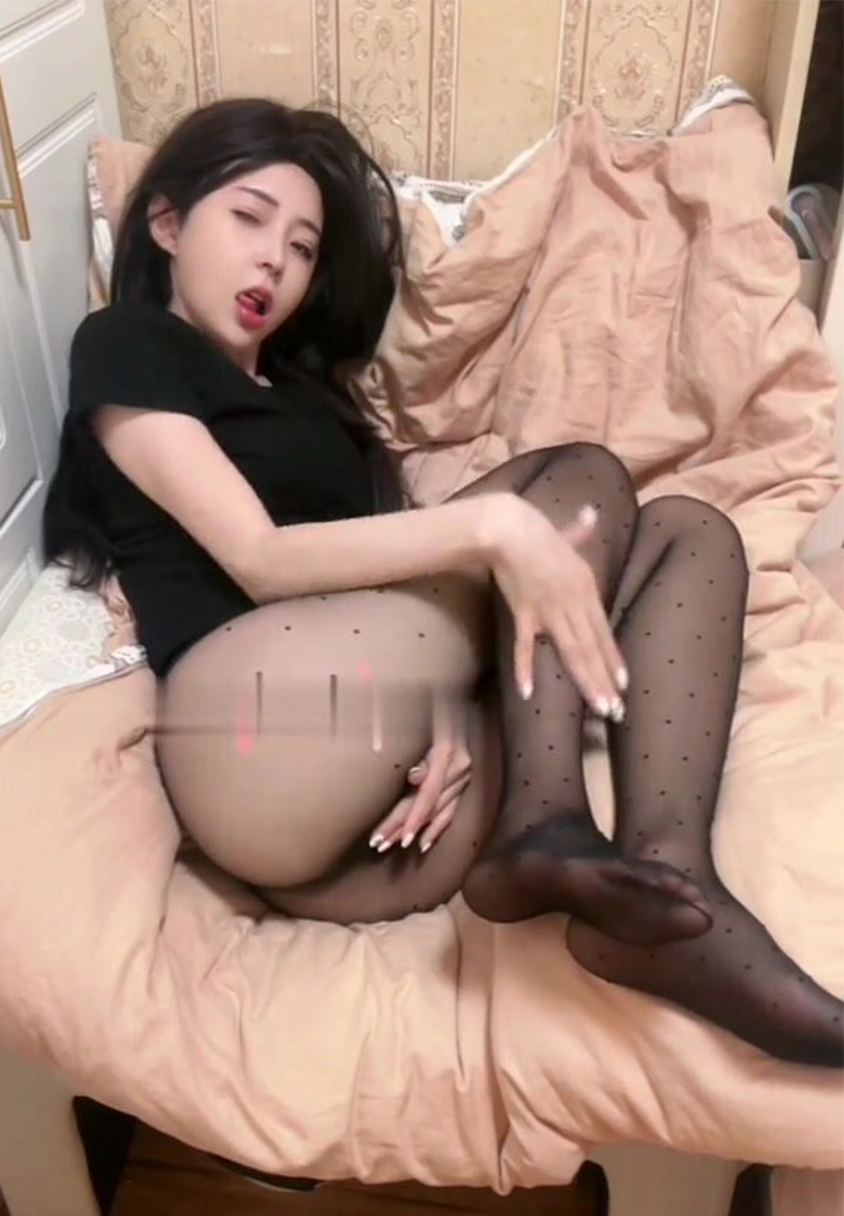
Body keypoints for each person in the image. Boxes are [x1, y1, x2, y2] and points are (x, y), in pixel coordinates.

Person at [41, 97, 842, 1070]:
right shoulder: (125, 342)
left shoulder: (316, 407)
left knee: (694, 536)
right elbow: (259, 557)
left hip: (378, 828)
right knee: (580, 482)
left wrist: (450, 706)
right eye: (248, 218)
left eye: (301, 247)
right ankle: (547, 820)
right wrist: (493, 525)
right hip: (249, 737)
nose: (273, 263)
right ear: (168, 224)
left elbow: (390, 597)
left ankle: (673, 890)